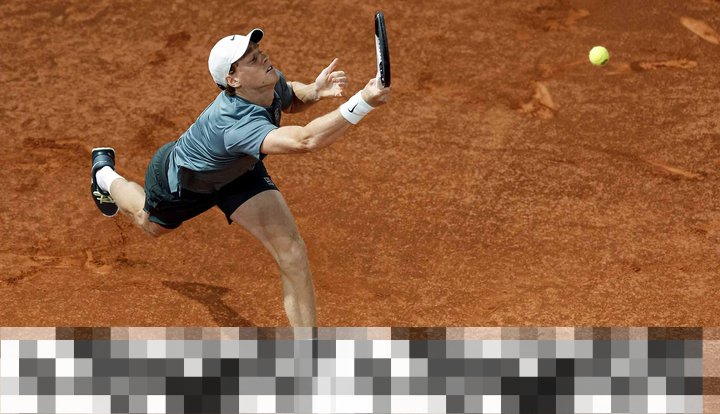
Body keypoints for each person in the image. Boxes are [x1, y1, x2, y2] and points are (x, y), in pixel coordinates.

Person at [90, 28, 391, 327]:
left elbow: (288, 97)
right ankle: (103, 173)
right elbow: (305, 140)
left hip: (238, 171)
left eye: (259, 53)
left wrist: (314, 91)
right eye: (252, 60)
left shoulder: (267, 80)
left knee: (292, 252)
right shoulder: (233, 124)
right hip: (183, 183)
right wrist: (363, 101)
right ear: (233, 80)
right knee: (149, 224)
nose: (264, 58)